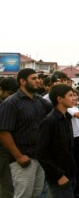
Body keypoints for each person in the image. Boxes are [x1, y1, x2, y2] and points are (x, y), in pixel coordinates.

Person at [0, 68, 53, 197]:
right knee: (23, 195)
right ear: (23, 81)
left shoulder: (39, 100)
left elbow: (55, 112)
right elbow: (4, 132)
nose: (38, 81)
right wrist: (18, 156)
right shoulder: (11, 103)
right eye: (33, 79)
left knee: (37, 194)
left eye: (38, 78)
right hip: (23, 159)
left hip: (39, 157)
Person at [36, 84, 77, 197]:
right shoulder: (50, 121)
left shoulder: (66, 117)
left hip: (69, 172)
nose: (74, 98)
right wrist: (58, 175)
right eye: (70, 95)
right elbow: (41, 152)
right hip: (59, 176)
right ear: (59, 99)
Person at [0, 77, 18, 198]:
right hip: (2, 150)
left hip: (5, 150)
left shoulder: (9, 104)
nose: (10, 97)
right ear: (1, 89)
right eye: (9, 94)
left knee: (8, 186)